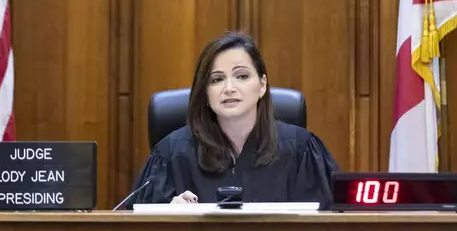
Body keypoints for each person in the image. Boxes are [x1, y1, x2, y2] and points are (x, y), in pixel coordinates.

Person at [126, 31, 338, 207]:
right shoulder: (170, 155)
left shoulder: (302, 151)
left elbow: (335, 222)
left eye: (242, 76)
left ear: (262, 85)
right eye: (217, 80)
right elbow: (135, 224)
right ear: (206, 94)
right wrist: (169, 217)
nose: (229, 88)